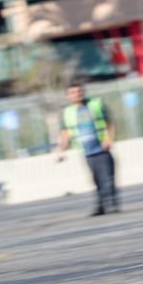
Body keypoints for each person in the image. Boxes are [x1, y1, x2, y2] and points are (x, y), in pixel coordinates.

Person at [57, 83, 120, 216]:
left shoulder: (95, 104)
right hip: (87, 151)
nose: (77, 94)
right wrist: (61, 149)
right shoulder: (68, 112)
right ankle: (101, 206)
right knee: (95, 179)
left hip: (102, 148)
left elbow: (110, 122)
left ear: (83, 92)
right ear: (68, 96)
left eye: (79, 91)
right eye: (73, 92)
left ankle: (112, 204)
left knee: (108, 177)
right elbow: (66, 132)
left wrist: (109, 139)